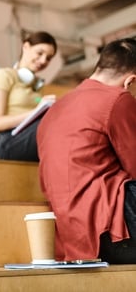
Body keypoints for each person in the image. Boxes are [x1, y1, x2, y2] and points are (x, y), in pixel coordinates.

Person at [37, 37, 136, 263]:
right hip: (112, 228)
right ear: (130, 81)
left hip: (70, 236)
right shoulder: (118, 99)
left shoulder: (54, 110)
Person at [0, 31, 57, 161]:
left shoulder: (37, 84)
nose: (43, 60)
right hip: (9, 141)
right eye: (40, 53)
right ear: (25, 47)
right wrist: (36, 111)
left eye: (48, 58)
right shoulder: (5, 75)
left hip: (32, 137)